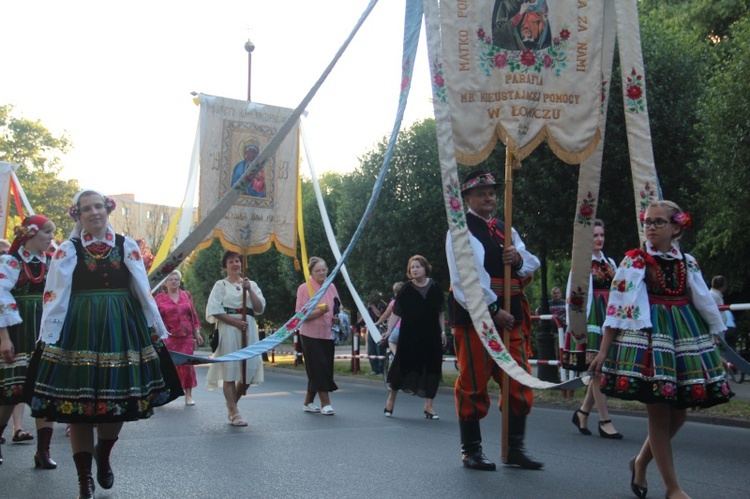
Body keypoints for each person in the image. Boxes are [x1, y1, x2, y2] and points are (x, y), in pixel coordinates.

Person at [28, 190, 182, 499]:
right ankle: (84, 479)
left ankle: (104, 453)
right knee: (78, 408)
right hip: (79, 329)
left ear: (107, 209)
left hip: (121, 327)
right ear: (78, 215)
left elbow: (141, 288)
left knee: (119, 404)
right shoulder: (67, 250)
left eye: (98, 206)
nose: (94, 212)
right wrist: (48, 338)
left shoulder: (126, 246)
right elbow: (55, 296)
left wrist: (154, 328)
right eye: (86, 209)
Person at [590, 200, 734, 499]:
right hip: (649, 340)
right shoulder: (635, 261)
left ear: (676, 227)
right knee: (659, 413)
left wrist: (714, 340)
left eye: (658, 222)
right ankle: (672, 488)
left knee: (678, 414)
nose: (651, 227)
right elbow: (617, 308)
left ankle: (640, 462)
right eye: (648, 222)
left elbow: (703, 302)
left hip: (684, 336)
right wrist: (603, 352)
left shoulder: (687, 261)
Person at [446, 169, 542, 471]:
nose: (488, 197)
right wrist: (491, 310)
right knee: (473, 382)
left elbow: (531, 262)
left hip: (509, 316)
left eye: (491, 192)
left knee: (518, 378)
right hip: (477, 317)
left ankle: (515, 448)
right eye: (481, 193)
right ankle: (471, 450)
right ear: (467, 198)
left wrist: (518, 259)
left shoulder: (506, 228)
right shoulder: (460, 230)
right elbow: (465, 279)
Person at [0, 216, 58, 468]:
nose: (51, 239)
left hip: (45, 331)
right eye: (47, 233)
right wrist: (3, 338)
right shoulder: (10, 262)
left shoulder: (52, 262)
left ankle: (43, 451)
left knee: (45, 390)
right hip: (19, 331)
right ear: (31, 234)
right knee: (11, 392)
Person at [566, 219, 622, 439]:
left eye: (601, 235)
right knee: (597, 369)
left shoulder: (610, 263)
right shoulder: (581, 264)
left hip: (608, 316)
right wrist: (576, 325)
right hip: (593, 317)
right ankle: (604, 420)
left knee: (600, 368)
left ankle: (582, 412)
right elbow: (575, 296)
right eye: (594, 236)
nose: (599, 239)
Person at [205, 250, 265, 426]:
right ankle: (234, 412)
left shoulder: (250, 284)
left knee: (250, 369)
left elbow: (260, 308)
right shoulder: (221, 285)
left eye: (238, 261)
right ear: (226, 266)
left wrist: (249, 290)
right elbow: (214, 310)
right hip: (229, 329)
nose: (235, 264)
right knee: (230, 371)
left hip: (249, 329)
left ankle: (232, 404)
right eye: (231, 261)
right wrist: (235, 323)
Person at [383, 256, 445, 419]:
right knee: (402, 366)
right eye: (412, 267)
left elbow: (440, 312)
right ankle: (391, 399)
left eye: (418, 266)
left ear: (425, 268)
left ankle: (429, 406)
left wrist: (442, 332)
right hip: (410, 335)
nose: (415, 270)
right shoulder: (406, 289)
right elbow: (396, 312)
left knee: (432, 369)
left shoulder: (435, 287)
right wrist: (389, 332)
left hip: (431, 335)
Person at [295, 257, 340, 415]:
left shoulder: (331, 286)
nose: (321, 273)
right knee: (319, 367)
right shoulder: (304, 288)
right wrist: (320, 311)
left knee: (323, 367)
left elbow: (337, 306)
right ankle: (325, 403)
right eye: (317, 271)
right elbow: (300, 314)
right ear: (311, 273)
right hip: (310, 334)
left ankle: (308, 402)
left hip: (327, 334)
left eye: (323, 270)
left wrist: (337, 317)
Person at [155, 270, 204, 406]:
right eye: (171, 279)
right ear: (165, 283)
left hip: (186, 337)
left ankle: (188, 395)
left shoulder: (186, 295)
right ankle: (163, 394)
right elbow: (155, 318)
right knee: (166, 366)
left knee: (187, 365)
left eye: (176, 279)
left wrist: (197, 333)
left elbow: (193, 315)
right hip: (168, 337)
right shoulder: (158, 298)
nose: (174, 281)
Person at [361, 293, 386, 375]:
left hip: (379, 329)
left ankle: (382, 370)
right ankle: (374, 369)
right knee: (371, 350)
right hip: (370, 329)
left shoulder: (381, 304)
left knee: (380, 349)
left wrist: (373, 306)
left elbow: (380, 315)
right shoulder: (368, 307)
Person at [377, 282, 404, 355]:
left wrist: (377, 323)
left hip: (397, 329)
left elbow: (385, 315)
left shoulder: (394, 303)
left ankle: (397, 357)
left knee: (391, 341)